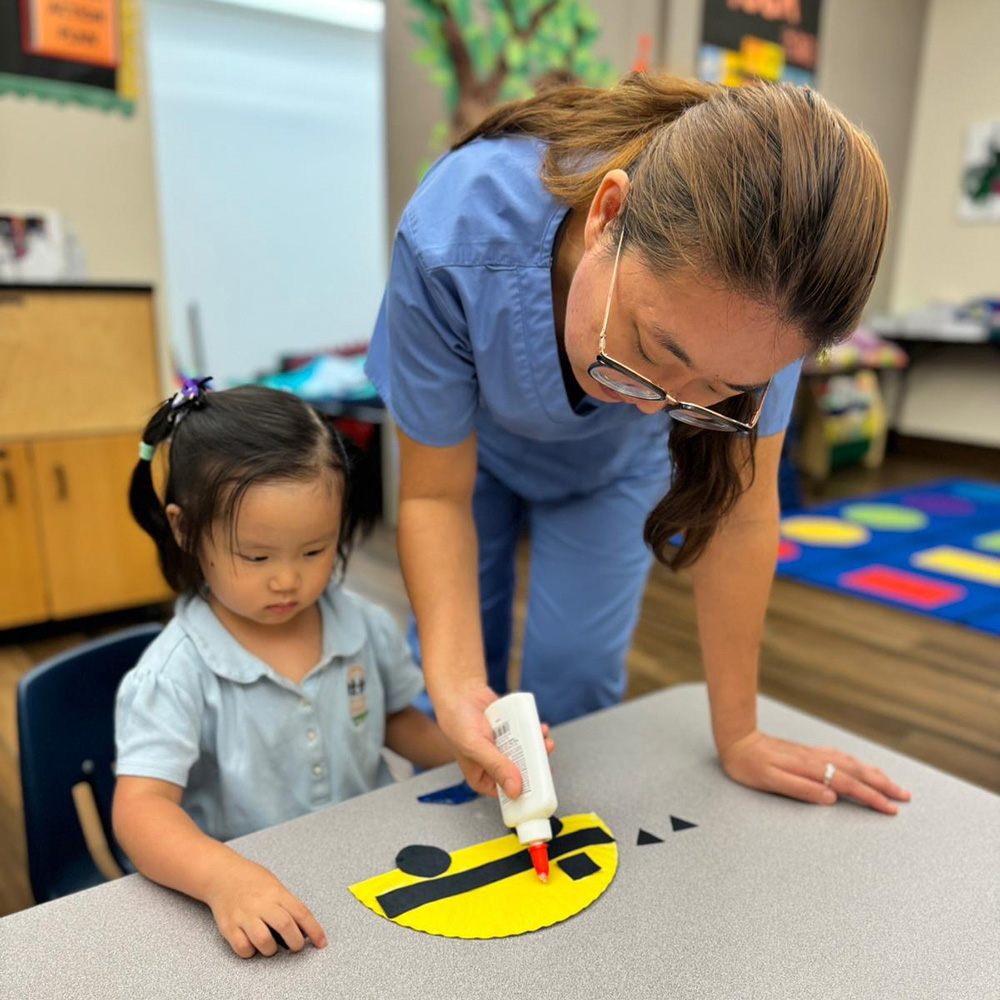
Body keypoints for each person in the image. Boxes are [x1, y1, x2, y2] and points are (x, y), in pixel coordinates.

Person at [366, 74, 911, 816]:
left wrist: (740, 733)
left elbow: (743, 518)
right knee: (453, 684)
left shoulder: (766, 325)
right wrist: (457, 684)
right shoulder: (454, 238)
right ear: (607, 215)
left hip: (611, 475)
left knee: (580, 680)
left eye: (714, 388)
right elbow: (434, 494)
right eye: (651, 345)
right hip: (470, 462)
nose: (662, 401)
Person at [112, 382, 455, 958]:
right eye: (257, 556)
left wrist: (472, 754)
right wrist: (224, 879)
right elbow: (141, 809)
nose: (288, 580)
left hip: (377, 871)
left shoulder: (364, 625)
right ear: (183, 528)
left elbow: (398, 721)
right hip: (252, 902)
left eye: (315, 550)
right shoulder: (175, 672)